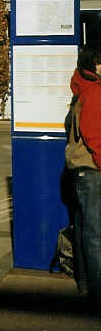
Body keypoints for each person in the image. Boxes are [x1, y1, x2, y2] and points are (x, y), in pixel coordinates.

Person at [67, 47, 101, 303]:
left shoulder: (81, 89)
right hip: (92, 169)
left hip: (79, 169)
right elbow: (94, 135)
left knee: (82, 227)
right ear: (96, 65)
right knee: (95, 232)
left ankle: (86, 283)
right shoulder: (96, 92)